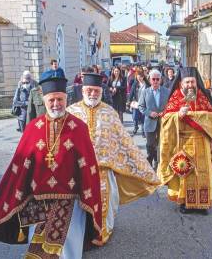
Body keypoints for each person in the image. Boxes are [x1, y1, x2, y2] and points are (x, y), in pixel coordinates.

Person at [0, 76, 102, 258]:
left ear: (66, 100)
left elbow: (89, 167)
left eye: (60, 99)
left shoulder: (79, 128)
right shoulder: (33, 128)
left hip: (71, 201)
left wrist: (89, 197)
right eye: (51, 100)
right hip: (37, 201)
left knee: (68, 247)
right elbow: (19, 166)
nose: (56, 104)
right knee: (38, 244)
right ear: (44, 101)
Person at [66, 73, 160, 246]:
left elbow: (124, 140)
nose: (93, 94)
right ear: (83, 90)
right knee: (79, 205)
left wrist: (142, 168)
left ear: (101, 91)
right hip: (79, 169)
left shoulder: (109, 112)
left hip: (103, 169)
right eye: (89, 90)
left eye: (96, 91)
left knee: (104, 203)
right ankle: (82, 234)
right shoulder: (71, 112)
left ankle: (100, 234)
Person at [157, 67, 212, 214]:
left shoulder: (203, 97)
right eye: (187, 82)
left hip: (202, 143)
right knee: (186, 173)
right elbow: (166, 119)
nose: (190, 85)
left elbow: (211, 117)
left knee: (202, 174)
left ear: (196, 82)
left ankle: (203, 204)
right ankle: (186, 202)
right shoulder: (175, 97)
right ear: (181, 83)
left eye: (192, 81)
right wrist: (177, 115)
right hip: (183, 143)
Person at [138, 69, 170, 169]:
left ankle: (157, 163)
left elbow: (170, 106)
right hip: (149, 122)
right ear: (150, 80)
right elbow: (141, 106)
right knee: (150, 144)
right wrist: (149, 113)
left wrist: (164, 112)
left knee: (160, 144)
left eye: (157, 79)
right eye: (153, 79)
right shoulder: (145, 92)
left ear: (160, 80)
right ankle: (149, 160)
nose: (155, 81)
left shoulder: (167, 91)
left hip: (163, 122)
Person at [129, 69, 149, 137]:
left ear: (143, 76)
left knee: (143, 118)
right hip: (136, 103)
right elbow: (131, 93)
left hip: (144, 104)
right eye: (137, 77)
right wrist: (129, 101)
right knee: (135, 117)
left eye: (140, 76)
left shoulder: (147, 84)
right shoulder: (135, 84)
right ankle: (136, 126)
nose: (139, 78)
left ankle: (143, 131)